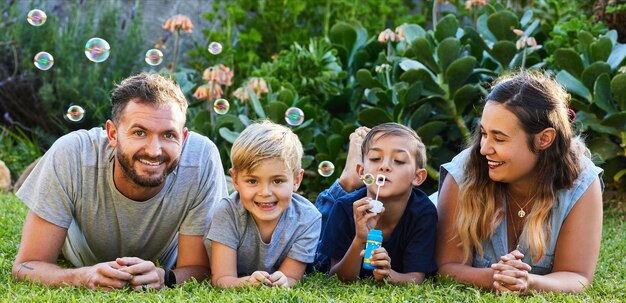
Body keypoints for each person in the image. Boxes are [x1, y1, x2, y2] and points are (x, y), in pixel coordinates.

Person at [11, 72, 229, 290]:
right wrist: (83, 276)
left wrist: (164, 277)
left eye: (169, 135)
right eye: (139, 132)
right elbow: (27, 265)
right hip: (81, 252)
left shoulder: (202, 158)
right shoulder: (71, 154)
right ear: (113, 134)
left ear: (184, 137)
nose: (154, 151)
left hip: (165, 259)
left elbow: (199, 267)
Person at [435, 71, 603, 293]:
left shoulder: (581, 182)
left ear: (544, 139)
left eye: (499, 138)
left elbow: (577, 276)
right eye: (484, 133)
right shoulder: (465, 171)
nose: (484, 148)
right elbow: (446, 266)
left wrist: (528, 282)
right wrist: (497, 277)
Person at [316, 123, 438, 283]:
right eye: (375, 159)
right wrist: (359, 239)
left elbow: (416, 278)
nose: (385, 166)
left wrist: (389, 275)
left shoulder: (423, 212)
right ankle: (349, 176)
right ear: (362, 172)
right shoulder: (345, 208)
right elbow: (337, 277)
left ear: (418, 177)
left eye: (399, 161)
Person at [205, 120, 321, 288]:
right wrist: (247, 283)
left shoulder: (308, 218)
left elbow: (291, 277)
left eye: (278, 181)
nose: (265, 192)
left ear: (296, 180)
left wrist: (284, 281)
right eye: (252, 181)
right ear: (235, 180)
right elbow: (222, 279)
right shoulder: (227, 213)